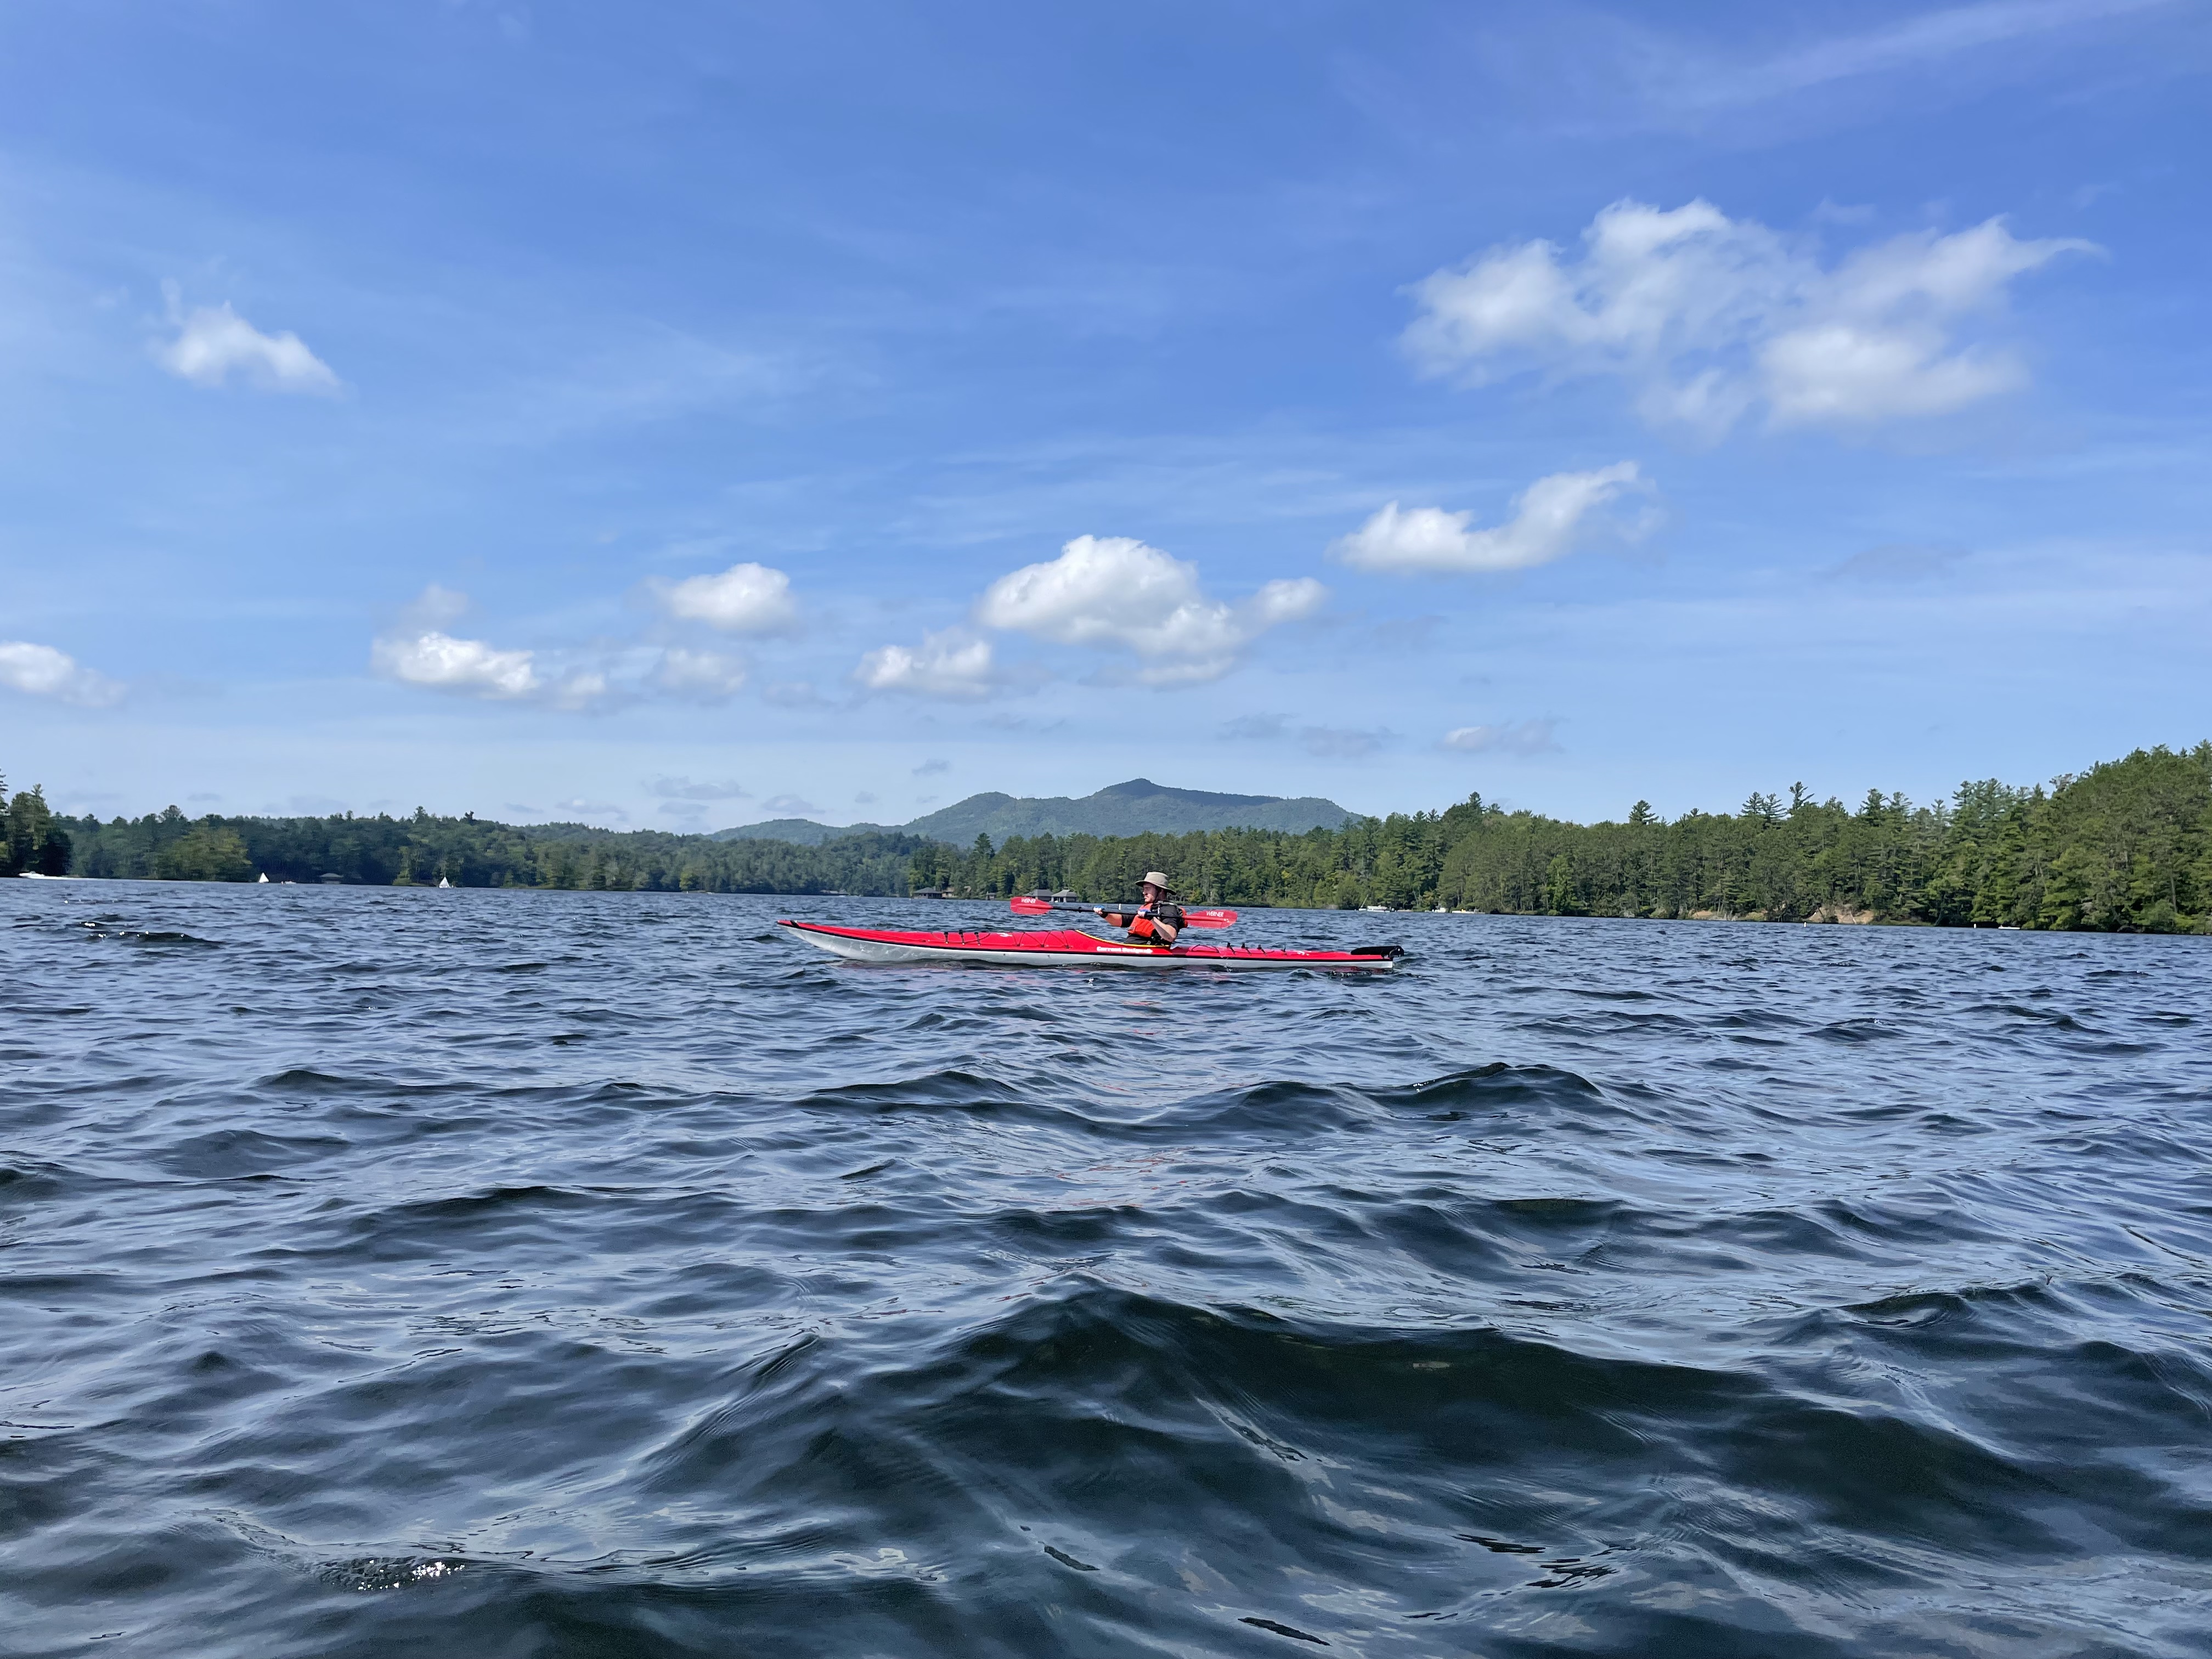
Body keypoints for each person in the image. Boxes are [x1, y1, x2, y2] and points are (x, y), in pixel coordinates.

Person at [1099, 871, 1184, 945]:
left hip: (1149, 949)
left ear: (1160, 891)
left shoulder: (1168, 909)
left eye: (1148, 889)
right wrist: (1105, 915)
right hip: (1131, 948)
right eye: (1144, 889)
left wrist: (1152, 919)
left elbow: (1171, 936)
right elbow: (1121, 921)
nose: (1144, 892)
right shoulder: (1148, 907)